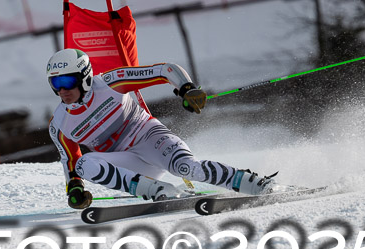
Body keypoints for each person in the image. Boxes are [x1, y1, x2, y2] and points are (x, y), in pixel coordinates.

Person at [47, 48, 279, 209]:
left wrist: (186, 88)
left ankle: (253, 183)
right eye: (55, 83)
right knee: (84, 164)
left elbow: (165, 70)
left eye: (67, 82)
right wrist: (75, 189)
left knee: (188, 168)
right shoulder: (59, 124)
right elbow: (70, 160)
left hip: (149, 138)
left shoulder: (111, 82)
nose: (62, 90)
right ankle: (159, 191)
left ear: (85, 77)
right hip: (129, 163)